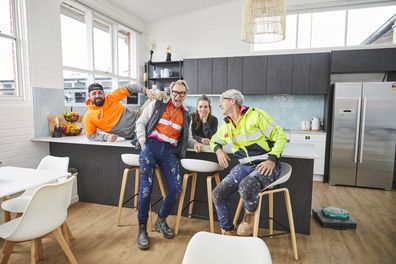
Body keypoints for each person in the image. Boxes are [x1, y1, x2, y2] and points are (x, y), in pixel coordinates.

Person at [134, 80, 203, 250]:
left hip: (170, 152)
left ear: (186, 95)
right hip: (151, 147)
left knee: (175, 189)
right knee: (145, 189)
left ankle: (161, 220)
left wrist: (195, 143)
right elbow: (140, 123)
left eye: (182, 93)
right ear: (171, 92)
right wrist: (144, 144)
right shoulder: (157, 104)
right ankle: (142, 229)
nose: (178, 96)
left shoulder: (187, 115)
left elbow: (186, 138)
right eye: (176, 92)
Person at [210, 89, 286, 236]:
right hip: (245, 166)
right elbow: (214, 140)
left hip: (265, 163)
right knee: (218, 193)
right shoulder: (226, 125)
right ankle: (228, 230)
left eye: (222, 100)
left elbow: (280, 135)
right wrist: (218, 150)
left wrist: (272, 160)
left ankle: (248, 216)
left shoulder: (256, 115)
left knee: (246, 186)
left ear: (232, 101)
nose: (219, 104)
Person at [83, 83, 154, 142]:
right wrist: (106, 137)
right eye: (94, 94)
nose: (97, 95)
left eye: (100, 93)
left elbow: (129, 88)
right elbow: (91, 135)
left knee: (160, 96)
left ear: (103, 94)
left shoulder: (111, 97)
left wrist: (145, 90)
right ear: (89, 96)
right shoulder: (88, 117)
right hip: (136, 133)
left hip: (140, 115)